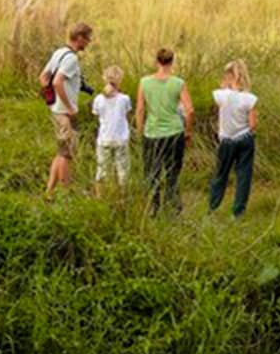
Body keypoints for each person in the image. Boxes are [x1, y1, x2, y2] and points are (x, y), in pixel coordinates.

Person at [136, 48, 194, 215]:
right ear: (172, 62)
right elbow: (190, 110)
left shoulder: (144, 82)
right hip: (174, 132)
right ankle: (173, 206)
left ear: (157, 61)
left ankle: (153, 207)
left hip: (152, 133)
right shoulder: (178, 83)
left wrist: (140, 131)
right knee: (172, 172)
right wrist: (188, 131)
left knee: (152, 172)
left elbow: (140, 109)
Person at [40, 22, 93, 197]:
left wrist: (51, 100)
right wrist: (69, 107)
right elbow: (57, 82)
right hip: (64, 112)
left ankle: (49, 192)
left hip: (56, 110)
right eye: (87, 38)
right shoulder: (71, 58)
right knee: (67, 154)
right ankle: (66, 192)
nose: (89, 42)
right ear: (79, 38)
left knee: (60, 152)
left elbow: (43, 77)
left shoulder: (59, 52)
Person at [209, 60, 258, 218]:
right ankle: (238, 212)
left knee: (221, 174)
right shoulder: (250, 98)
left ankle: (213, 207)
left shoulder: (220, 95)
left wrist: (225, 86)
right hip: (245, 139)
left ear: (229, 76)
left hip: (227, 141)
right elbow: (253, 124)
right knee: (243, 176)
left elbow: (218, 107)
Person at [92, 65, 132, 195]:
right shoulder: (124, 99)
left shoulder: (98, 99)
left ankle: (100, 196)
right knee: (122, 170)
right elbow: (126, 114)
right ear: (120, 80)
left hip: (104, 138)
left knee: (102, 169)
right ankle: (122, 196)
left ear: (104, 79)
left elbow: (97, 115)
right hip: (121, 138)